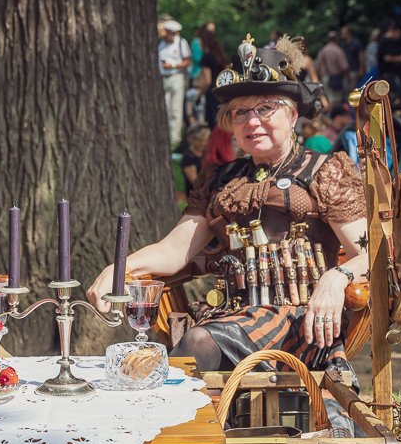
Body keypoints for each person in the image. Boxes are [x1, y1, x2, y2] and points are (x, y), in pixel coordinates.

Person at [88, 34, 367, 378]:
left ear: (293, 114)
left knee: (197, 344)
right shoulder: (220, 178)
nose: (252, 121)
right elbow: (175, 249)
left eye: (265, 108)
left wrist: (336, 278)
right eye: (240, 113)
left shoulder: (325, 170)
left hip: (302, 321)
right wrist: (117, 269)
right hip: (232, 318)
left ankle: (163, 420)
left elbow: (373, 254)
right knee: (185, 346)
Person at [159, 20, 191, 146]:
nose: (175, 34)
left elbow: (187, 61)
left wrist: (172, 65)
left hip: (175, 77)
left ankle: (174, 139)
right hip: (161, 78)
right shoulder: (159, 43)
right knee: (164, 108)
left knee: (175, 109)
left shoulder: (181, 43)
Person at [315, 31, 350, 106]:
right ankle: (330, 115)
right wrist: (348, 78)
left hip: (324, 78)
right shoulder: (338, 50)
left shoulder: (322, 51)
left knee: (328, 98)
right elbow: (344, 67)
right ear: (336, 39)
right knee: (335, 99)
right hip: (335, 78)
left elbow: (318, 68)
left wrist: (318, 80)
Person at [180, 123, 210, 197]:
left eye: (206, 140)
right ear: (192, 139)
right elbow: (195, 182)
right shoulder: (188, 158)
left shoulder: (206, 153)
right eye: (201, 140)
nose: (204, 143)